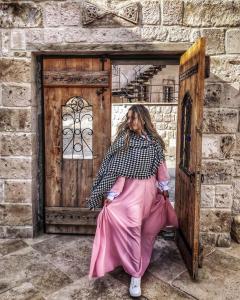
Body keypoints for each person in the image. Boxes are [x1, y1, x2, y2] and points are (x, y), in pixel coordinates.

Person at [86, 104, 179, 297]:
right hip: (129, 194)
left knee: (144, 230)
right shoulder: (124, 141)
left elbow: (160, 167)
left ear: (143, 119)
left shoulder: (154, 143)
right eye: (128, 118)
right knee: (131, 228)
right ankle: (135, 275)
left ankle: (137, 262)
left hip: (148, 192)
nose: (130, 121)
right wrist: (111, 196)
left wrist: (164, 188)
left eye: (133, 118)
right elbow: (117, 171)